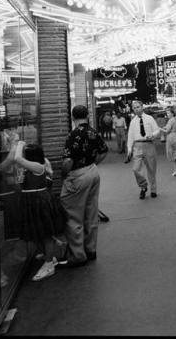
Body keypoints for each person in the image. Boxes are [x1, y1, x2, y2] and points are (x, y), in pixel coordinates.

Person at [60, 105, 108, 267]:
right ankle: (91, 249)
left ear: (72, 117)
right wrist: (93, 164)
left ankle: (78, 255)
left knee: (72, 215)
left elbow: (67, 161)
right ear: (87, 115)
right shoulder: (93, 132)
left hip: (77, 175)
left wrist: (64, 173)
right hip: (93, 172)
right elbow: (103, 151)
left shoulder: (73, 134)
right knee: (91, 212)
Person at [14, 141, 66, 281]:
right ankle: (49, 256)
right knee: (35, 234)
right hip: (31, 201)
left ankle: (49, 263)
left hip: (39, 202)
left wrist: (19, 144)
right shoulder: (27, 168)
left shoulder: (38, 166)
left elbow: (17, 158)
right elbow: (19, 187)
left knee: (45, 234)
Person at [126, 100, 161, 199]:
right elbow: (130, 136)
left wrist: (152, 135)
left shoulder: (149, 119)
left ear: (142, 107)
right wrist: (129, 149)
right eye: (134, 108)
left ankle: (153, 190)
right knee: (135, 169)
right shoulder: (133, 122)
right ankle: (143, 186)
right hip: (137, 146)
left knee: (151, 169)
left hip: (149, 145)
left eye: (138, 107)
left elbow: (157, 130)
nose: (136, 109)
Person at [160, 107, 176, 176]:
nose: (167, 114)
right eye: (167, 113)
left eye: (168, 113)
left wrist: (160, 129)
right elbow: (173, 127)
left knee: (171, 154)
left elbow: (167, 130)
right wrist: (165, 127)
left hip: (171, 137)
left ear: (172, 113)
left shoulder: (170, 120)